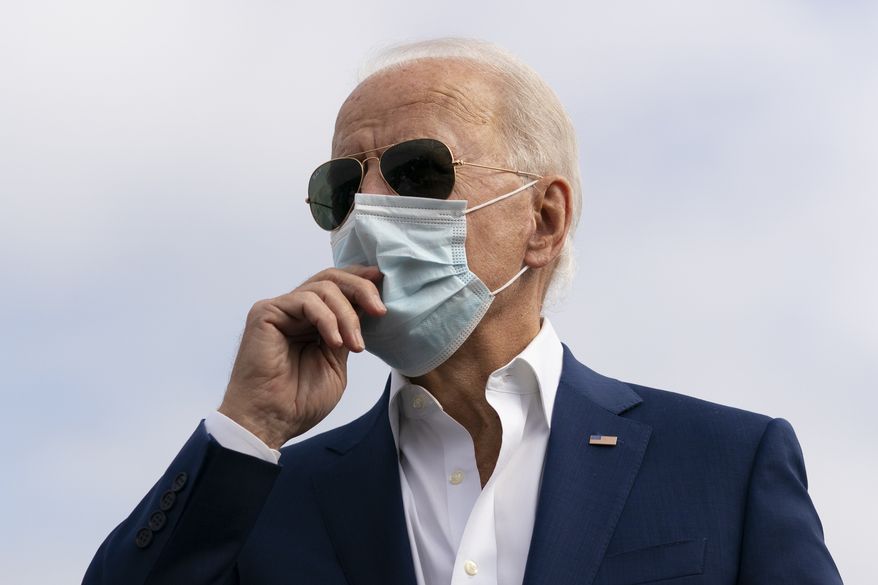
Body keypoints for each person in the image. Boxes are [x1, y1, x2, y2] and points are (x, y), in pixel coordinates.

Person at [83, 38, 842, 585]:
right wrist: (248, 428)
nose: (369, 209)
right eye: (343, 187)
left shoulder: (724, 464)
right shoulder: (264, 497)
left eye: (419, 170)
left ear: (543, 220)